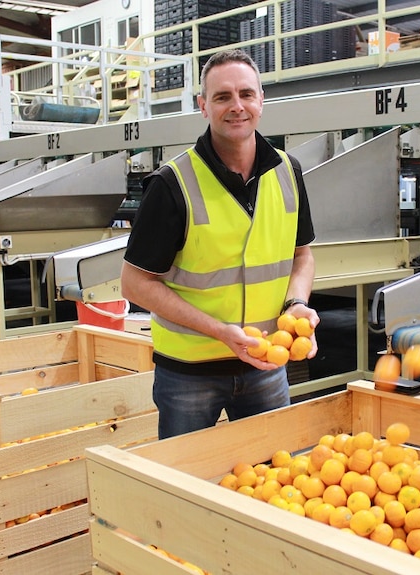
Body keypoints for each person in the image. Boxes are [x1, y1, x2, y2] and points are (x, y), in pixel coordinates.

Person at [120, 49, 319, 440]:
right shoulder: (172, 183)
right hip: (189, 373)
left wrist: (297, 305)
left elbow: (302, 256)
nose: (237, 106)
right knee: (186, 485)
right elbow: (135, 283)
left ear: (261, 100)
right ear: (203, 106)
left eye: (246, 94)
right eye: (222, 96)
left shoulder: (288, 171)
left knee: (274, 482)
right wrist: (220, 332)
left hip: (266, 366)